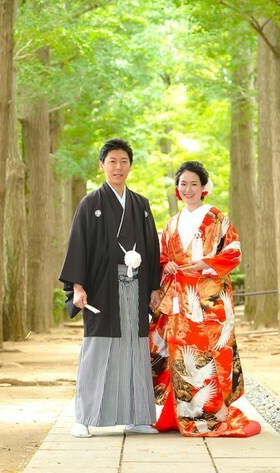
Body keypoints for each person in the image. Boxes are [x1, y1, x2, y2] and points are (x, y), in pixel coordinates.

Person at [149, 161, 261, 437]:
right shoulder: (171, 223)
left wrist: (206, 263)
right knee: (180, 355)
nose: (188, 189)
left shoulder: (216, 218)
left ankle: (213, 411)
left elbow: (233, 251)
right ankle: (181, 413)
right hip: (179, 300)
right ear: (177, 188)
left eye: (194, 184)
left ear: (203, 188)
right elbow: (162, 257)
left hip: (210, 302)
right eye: (183, 184)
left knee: (210, 355)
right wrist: (166, 265)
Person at [59, 138, 161, 438]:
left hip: (136, 286)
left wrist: (154, 288)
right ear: (102, 165)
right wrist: (77, 286)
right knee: (98, 348)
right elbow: (78, 246)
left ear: (130, 166)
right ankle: (84, 418)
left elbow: (152, 249)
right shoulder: (91, 203)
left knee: (135, 348)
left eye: (124, 161)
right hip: (102, 288)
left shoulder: (141, 205)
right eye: (112, 161)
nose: (118, 167)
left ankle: (137, 416)